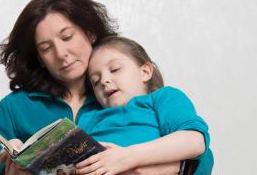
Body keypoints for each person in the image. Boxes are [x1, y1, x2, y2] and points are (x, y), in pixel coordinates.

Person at [0, 0, 212, 175]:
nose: (61, 54)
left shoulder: (122, 93)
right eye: (46, 48)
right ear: (39, 58)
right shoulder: (16, 107)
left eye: (67, 37)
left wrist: (166, 167)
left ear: (89, 32)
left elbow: (201, 155)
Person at [75, 36, 213, 175]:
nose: (104, 81)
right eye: (95, 81)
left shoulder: (163, 98)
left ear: (145, 72)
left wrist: (126, 158)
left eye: (115, 69)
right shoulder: (89, 117)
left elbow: (195, 141)